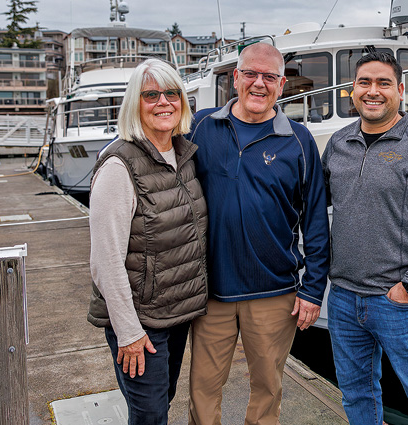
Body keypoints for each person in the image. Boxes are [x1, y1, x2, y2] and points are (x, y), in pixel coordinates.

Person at [187, 42, 329, 425]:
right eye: (250, 73)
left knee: (267, 391)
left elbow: (316, 221)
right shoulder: (202, 126)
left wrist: (313, 289)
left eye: (269, 76)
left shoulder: (298, 141)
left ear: (282, 85)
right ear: (236, 78)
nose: (259, 83)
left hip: (274, 292)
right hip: (211, 291)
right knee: (202, 390)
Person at [321, 51, 408, 424]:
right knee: (356, 395)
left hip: (399, 301)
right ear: (352, 91)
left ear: (399, 90)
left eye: (383, 83)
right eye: (364, 82)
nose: (373, 91)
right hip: (345, 300)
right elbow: (315, 206)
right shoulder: (338, 144)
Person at [87, 58, 208, 425]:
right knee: (149, 415)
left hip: (176, 313)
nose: (163, 102)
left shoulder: (183, 154)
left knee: (162, 402)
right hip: (140, 322)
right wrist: (128, 332)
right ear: (133, 105)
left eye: (172, 93)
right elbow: (105, 262)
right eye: (150, 95)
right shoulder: (118, 166)